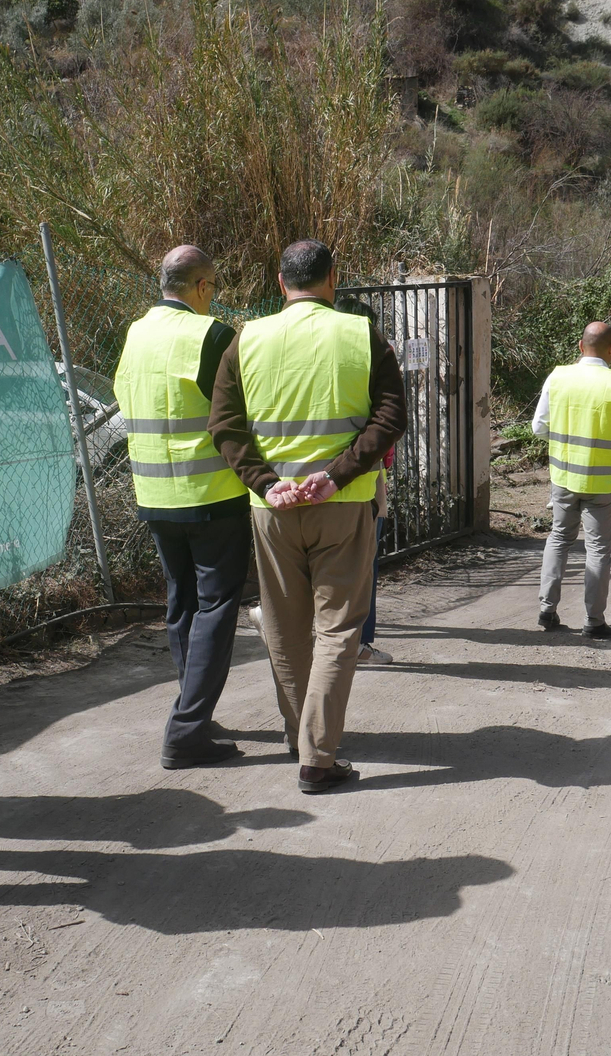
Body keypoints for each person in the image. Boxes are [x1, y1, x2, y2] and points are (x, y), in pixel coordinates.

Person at [209, 240, 407, 794]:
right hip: (342, 506)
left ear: (280, 282)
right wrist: (336, 475)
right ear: (332, 279)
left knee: (285, 629)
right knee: (339, 629)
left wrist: (267, 484)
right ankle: (317, 757)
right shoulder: (360, 334)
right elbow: (392, 416)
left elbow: (223, 425)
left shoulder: (245, 339)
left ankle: (304, 736)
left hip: (272, 512)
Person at [114, 246, 250, 769]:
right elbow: (238, 411)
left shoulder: (136, 332)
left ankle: (195, 711)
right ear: (200, 287)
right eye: (212, 286)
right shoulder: (211, 334)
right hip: (212, 496)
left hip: (154, 495)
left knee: (183, 605)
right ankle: (187, 729)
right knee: (216, 608)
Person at [532, 321, 611, 640]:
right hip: (603, 482)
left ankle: (546, 611)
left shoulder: (558, 376)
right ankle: (593, 621)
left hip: (564, 477)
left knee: (558, 538)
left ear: (581, 347)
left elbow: (539, 427)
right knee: (597, 549)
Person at [334, 296, 393, 666]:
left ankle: (276, 616)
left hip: (295, 483)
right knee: (361, 570)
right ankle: (359, 644)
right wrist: (382, 484)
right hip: (357, 486)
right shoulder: (368, 361)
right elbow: (385, 426)